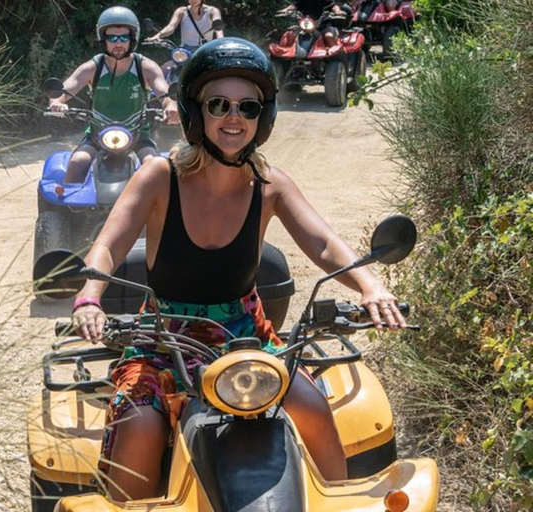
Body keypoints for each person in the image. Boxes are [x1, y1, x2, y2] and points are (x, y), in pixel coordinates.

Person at [70, 37, 407, 501]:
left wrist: (371, 285)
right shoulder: (158, 177)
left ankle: (336, 500)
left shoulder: (268, 185)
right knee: (139, 424)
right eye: (219, 104)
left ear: (262, 118)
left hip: (248, 340)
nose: (234, 117)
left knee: (310, 406)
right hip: (164, 339)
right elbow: (106, 247)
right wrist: (89, 296)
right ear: (196, 112)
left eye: (248, 107)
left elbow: (325, 243)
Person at [48, 6, 178, 184]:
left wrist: (171, 106)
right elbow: (65, 89)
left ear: (133, 38)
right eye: (112, 38)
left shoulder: (145, 66)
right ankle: (68, 210)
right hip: (97, 133)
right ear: (103, 39)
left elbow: (165, 92)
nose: (118, 43)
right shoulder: (93, 67)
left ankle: (163, 210)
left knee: (154, 165)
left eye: (124, 37)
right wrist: (57, 101)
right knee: (78, 161)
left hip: (138, 134)